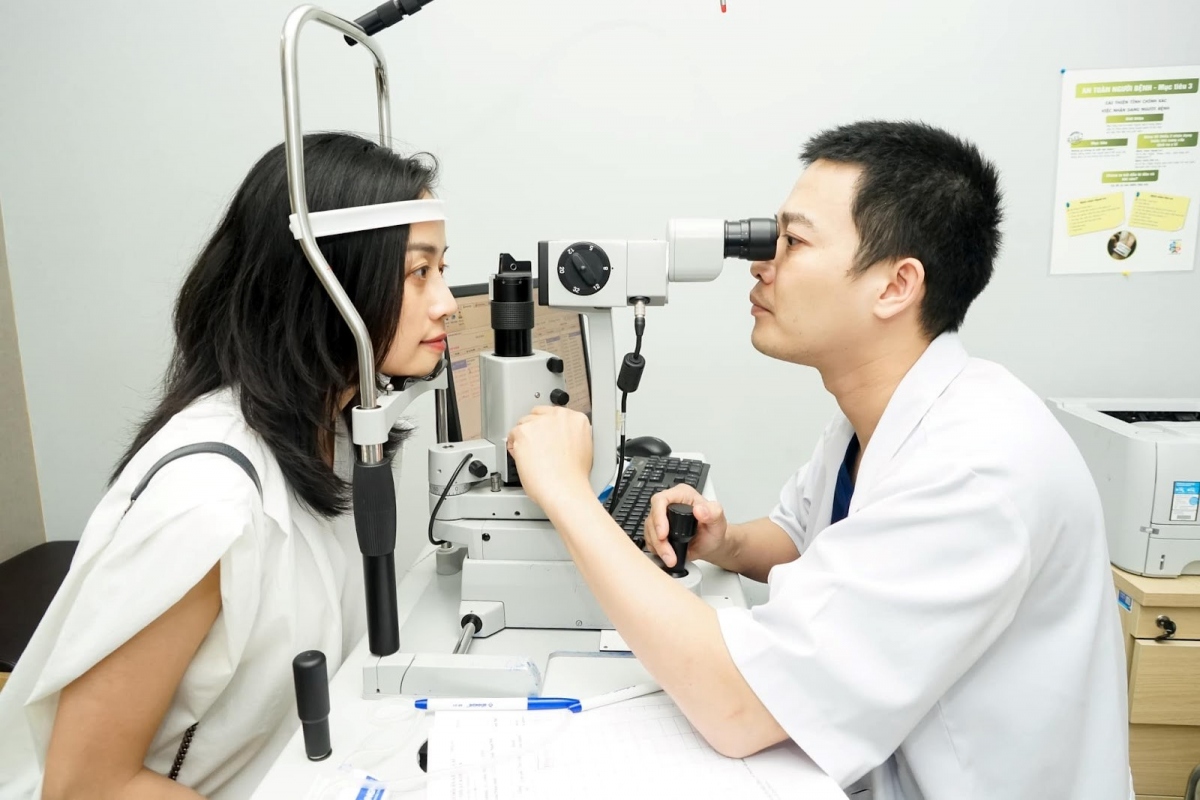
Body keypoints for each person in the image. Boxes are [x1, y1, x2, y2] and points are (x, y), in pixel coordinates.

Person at [506, 120, 1131, 799]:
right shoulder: (884, 413)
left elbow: (738, 709)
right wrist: (727, 543)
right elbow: (805, 537)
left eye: (793, 242)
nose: (760, 263)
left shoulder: (972, 470)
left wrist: (564, 490)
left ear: (895, 285)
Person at [0, 132, 457, 800]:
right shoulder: (209, 503)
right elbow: (85, 786)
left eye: (442, 269)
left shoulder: (326, 432)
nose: (447, 302)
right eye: (419, 273)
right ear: (326, 283)